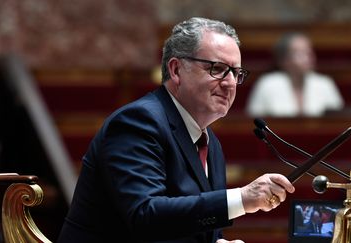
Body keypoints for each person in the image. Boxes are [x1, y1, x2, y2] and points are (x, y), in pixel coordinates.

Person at [57, 17, 295, 243]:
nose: (230, 82)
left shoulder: (210, 143)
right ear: (176, 70)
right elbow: (145, 216)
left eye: (235, 72)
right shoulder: (137, 122)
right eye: (217, 68)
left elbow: (194, 229)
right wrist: (241, 198)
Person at [246, 32, 344, 117]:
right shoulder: (267, 84)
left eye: (309, 52)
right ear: (284, 59)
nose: (308, 57)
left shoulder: (325, 83)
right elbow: (254, 121)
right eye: (300, 53)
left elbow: (337, 120)